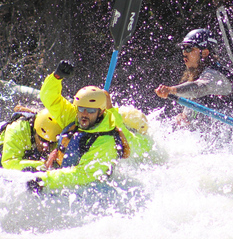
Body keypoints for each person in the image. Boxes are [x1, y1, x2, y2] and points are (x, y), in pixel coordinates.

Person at [26, 60, 153, 193]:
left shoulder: (106, 140)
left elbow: (83, 175)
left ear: (101, 112)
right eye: (81, 109)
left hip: (90, 191)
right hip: (62, 179)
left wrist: (45, 180)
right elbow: (49, 98)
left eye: (91, 111)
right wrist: (56, 77)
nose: (84, 114)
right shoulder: (74, 117)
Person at [155, 28, 233, 150]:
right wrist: (183, 116)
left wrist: (171, 90)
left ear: (204, 53)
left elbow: (199, 87)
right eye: (183, 49)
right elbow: (193, 101)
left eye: (189, 48)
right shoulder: (197, 75)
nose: (184, 53)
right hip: (224, 144)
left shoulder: (215, 75)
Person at [0, 107, 62, 171]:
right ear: (35, 131)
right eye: (42, 140)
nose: (45, 146)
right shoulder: (18, 129)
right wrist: (43, 165)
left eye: (51, 143)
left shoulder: (58, 138)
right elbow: (8, 164)